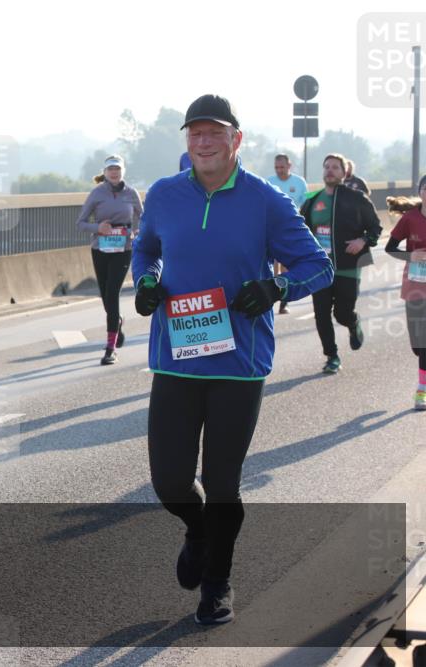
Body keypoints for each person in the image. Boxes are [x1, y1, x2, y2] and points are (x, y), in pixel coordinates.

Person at [132, 94, 331, 625]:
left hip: (239, 364)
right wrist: (147, 280)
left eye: (214, 133)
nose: (204, 142)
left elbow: (319, 266)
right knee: (169, 482)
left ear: (236, 140)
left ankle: (217, 582)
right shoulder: (165, 194)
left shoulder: (266, 200)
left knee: (222, 485)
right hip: (175, 359)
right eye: (195, 133)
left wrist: (276, 287)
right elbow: (145, 249)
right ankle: (198, 530)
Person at [299, 154, 382, 374]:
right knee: (321, 314)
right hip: (320, 269)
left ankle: (353, 323)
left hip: (348, 267)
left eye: (335, 167)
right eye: (327, 166)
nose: (330, 170)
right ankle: (332, 356)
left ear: (344, 173)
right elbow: (300, 233)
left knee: (342, 314)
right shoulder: (312, 201)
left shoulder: (356, 199)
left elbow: (375, 228)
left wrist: (362, 241)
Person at [76, 155, 142, 364]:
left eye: (117, 169)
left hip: (124, 248)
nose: (114, 172)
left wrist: (137, 232)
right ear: (104, 173)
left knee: (112, 293)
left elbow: (144, 218)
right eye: (110, 169)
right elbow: (81, 223)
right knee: (106, 296)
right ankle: (117, 322)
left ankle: (110, 348)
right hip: (101, 249)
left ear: (123, 171)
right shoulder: (97, 193)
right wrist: (99, 228)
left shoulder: (131, 193)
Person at [385, 175, 426, 411]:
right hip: (415, 284)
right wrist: (411, 255)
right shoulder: (410, 218)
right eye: (425, 188)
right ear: (420, 192)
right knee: (417, 346)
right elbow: (390, 248)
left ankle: (422, 390)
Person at [267, 154, 309, 314]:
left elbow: (305, 205)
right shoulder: (269, 182)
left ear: (289, 166)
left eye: (282, 167)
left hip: (290, 230)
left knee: (285, 265)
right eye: (276, 167)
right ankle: (270, 296)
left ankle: (284, 301)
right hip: (271, 229)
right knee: (272, 267)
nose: (279, 170)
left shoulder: (299, 182)